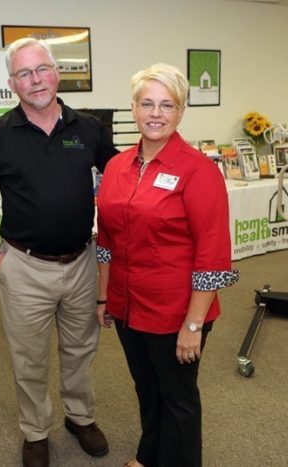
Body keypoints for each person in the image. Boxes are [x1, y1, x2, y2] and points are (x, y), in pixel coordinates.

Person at [0, 37, 118, 467]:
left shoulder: (87, 128)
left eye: (42, 70)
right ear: (12, 84)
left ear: (56, 73)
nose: (36, 81)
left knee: (80, 350)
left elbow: (120, 179)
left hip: (81, 262)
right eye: (24, 74)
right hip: (24, 266)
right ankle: (35, 432)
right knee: (28, 358)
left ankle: (80, 417)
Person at [95, 63, 239, 467]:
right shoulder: (116, 167)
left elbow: (212, 257)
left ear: (181, 112)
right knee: (147, 388)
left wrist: (193, 325)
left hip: (176, 311)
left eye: (167, 105)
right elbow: (106, 239)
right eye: (147, 103)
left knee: (178, 399)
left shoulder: (198, 171)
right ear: (134, 109)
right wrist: (104, 297)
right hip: (127, 305)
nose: (155, 113)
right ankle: (148, 455)